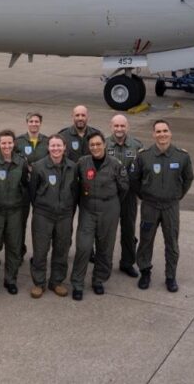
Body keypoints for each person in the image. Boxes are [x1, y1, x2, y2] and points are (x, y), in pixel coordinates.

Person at [130, 119, 194, 293]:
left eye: (165, 130)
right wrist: (143, 195)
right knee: (145, 241)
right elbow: (134, 179)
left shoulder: (182, 156)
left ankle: (170, 276)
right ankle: (145, 272)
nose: (162, 134)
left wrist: (178, 195)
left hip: (170, 206)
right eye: (158, 131)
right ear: (153, 135)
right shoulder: (144, 155)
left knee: (172, 242)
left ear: (170, 133)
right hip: (149, 205)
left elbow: (188, 178)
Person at [69, 132, 128, 300]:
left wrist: (110, 202)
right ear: (89, 147)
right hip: (88, 208)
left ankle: (98, 280)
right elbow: (75, 185)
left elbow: (124, 188)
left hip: (109, 208)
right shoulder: (82, 163)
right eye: (92, 145)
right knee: (84, 246)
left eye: (98, 144)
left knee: (105, 247)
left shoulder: (115, 164)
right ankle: (78, 283)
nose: (95, 147)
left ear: (105, 145)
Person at [29, 135, 78, 298]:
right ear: (48, 148)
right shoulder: (38, 167)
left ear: (64, 147)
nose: (56, 149)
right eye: (53, 146)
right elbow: (32, 191)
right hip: (43, 214)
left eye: (59, 146)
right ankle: (39, 283)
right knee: (40, 250)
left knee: (62, 249)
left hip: (64, 215)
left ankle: (56, 281)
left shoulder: (73, 167)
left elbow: (75, 191)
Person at [0, 130, 29, 295]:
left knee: (14, 247)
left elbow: (25, 184)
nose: (7, 146)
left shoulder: (21, 162)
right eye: (3, 143)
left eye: (10, 143)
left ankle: (11, 279)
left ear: (14, 143)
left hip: (15, 211)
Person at [105, 114, 143, 277]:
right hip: (110, 195)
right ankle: (104, 263)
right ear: (111, 126)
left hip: (129, 196)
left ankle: (127, 263)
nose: (119, 129)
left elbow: (142, 169)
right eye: (116, 126)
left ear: (127, 127)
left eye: (122, 126)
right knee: (106, 231)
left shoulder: (136, 145)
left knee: (128, 229)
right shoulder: (104, 144)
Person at [15, 113, 48, 258]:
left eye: (37, 121)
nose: (34, 124)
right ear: (27, 123)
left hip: (41, 187)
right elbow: (14, 160)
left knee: (40, 223)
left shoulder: (47, 141)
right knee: (20, 222)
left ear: (40, 123)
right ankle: (19, 252)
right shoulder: (19, 141)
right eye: (31, 121)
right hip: (23, 186)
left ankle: (39, 255)